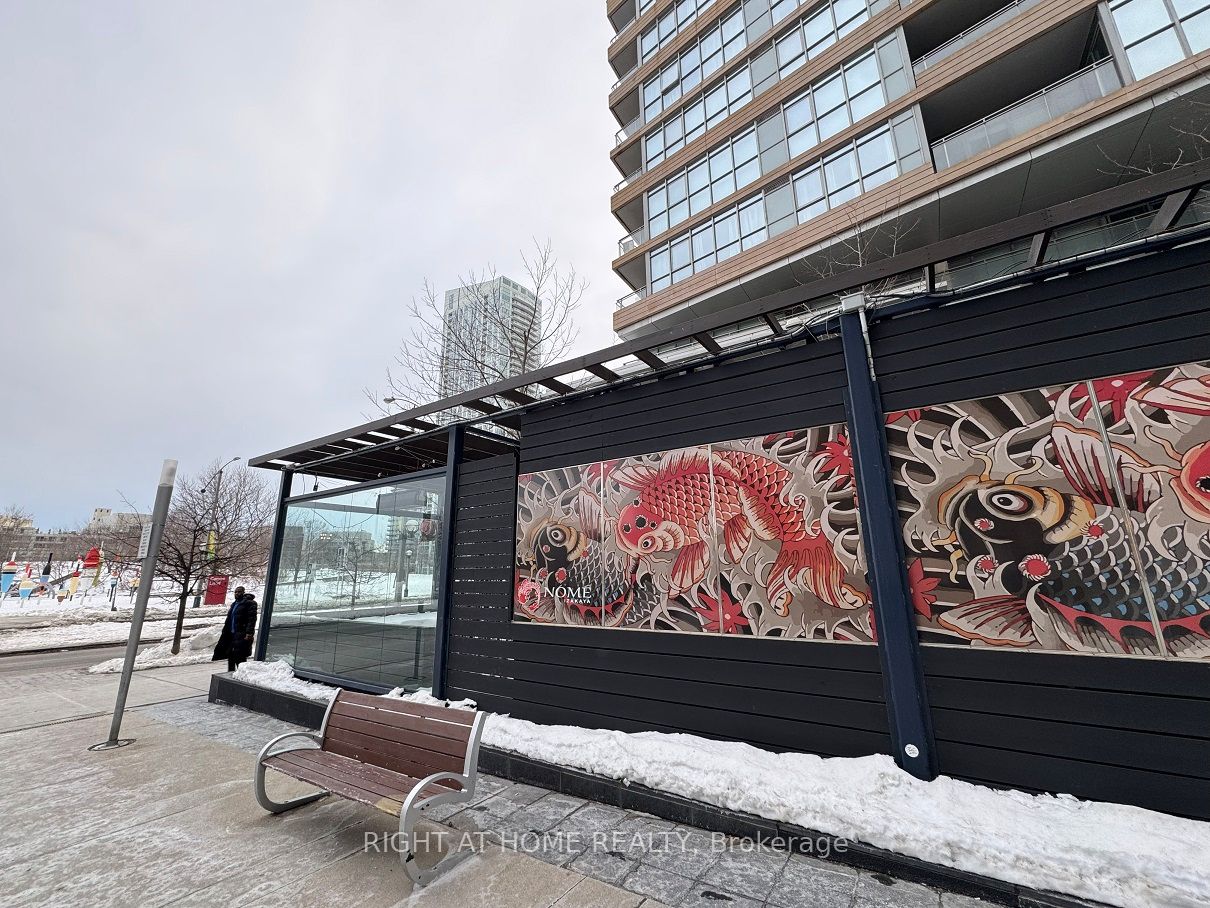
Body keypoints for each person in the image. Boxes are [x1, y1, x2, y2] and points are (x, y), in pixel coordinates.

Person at [213, 587, 257, 671]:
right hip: (231, 634)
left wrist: (249, 633)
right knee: (231, 655)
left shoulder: (250, 603)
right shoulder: (234, 604)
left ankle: (242, 674)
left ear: (243, 593)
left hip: (242, 634)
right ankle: (230, 674)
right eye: (235, 592)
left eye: (239, 592)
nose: (237, 593)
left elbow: (252, 620)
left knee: (240, 656)